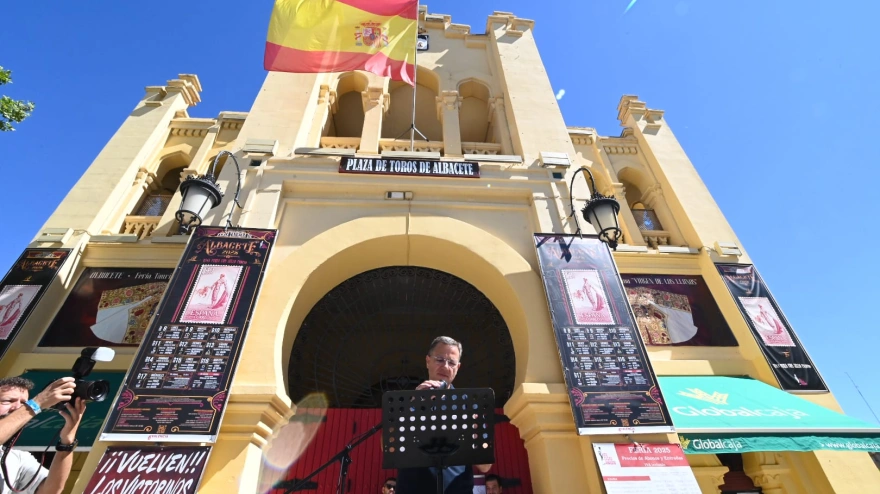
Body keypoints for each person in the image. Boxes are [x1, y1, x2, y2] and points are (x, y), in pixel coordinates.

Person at [397, 336, 491, 493]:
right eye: (439, 359)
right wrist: (411, 405)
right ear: (428, 361)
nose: (446, 367)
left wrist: (473, 432)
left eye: (452, 362)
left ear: (458, 367)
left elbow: (485, 466)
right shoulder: (407, 401)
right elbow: (386, 446)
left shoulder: (469, 406)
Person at [0, 376, 85, 494]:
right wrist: (37, 403)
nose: (18, 408)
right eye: (7, 401)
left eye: (24, 403)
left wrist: (67, 443)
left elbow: (50, 491)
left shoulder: (17, 458)